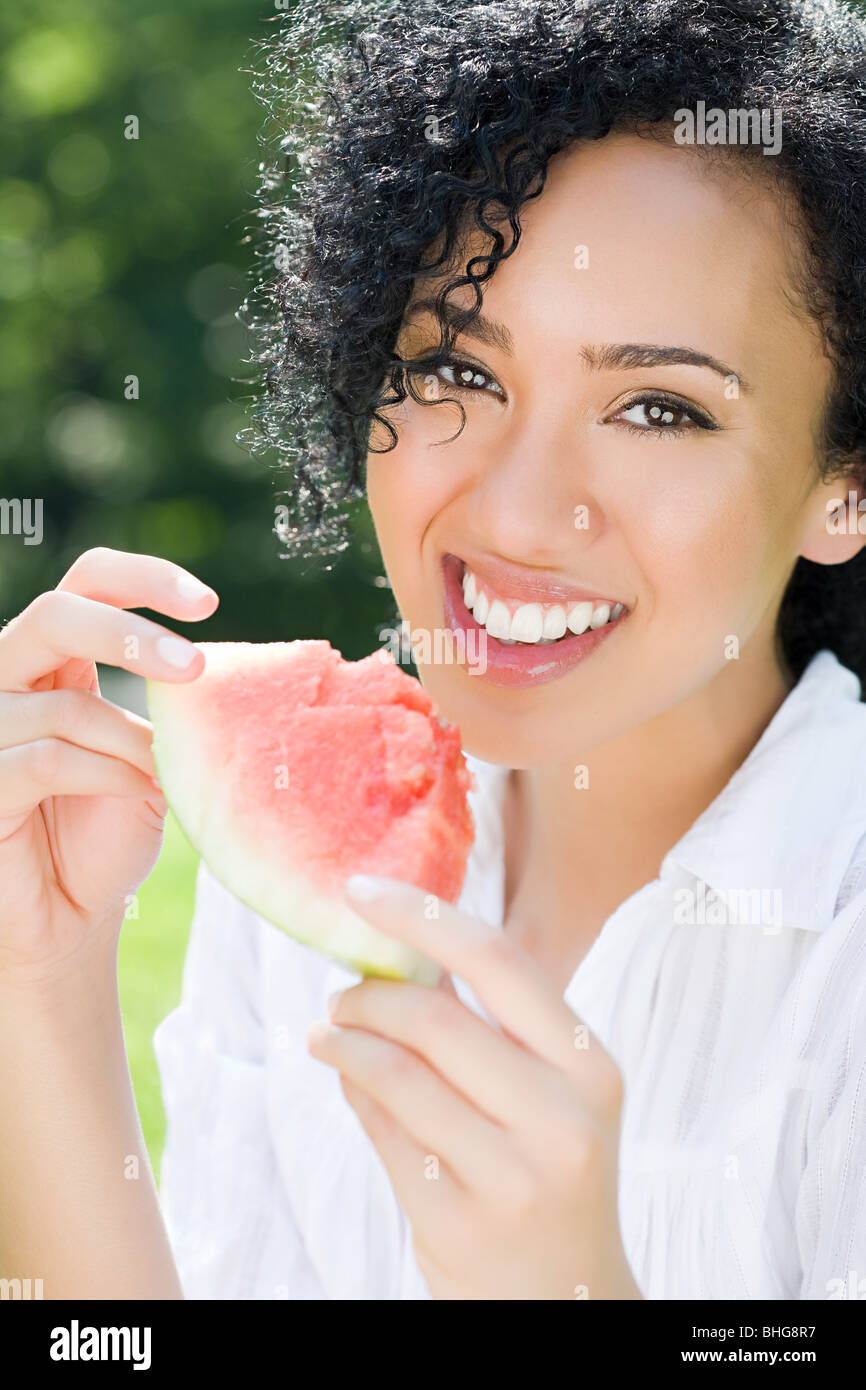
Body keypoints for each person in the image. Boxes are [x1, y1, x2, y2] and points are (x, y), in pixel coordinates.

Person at [2, 0, 866, 1300]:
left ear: (841, 488)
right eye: (455, 372)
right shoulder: (296, 909)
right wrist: (44, 983)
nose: (517, 513)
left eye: (655, 407)